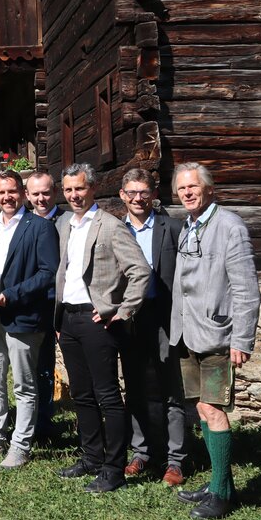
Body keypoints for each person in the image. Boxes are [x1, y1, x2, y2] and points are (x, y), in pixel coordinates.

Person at [170, 163, 260, 520]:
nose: (188, 193)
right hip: (189, 333)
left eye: (193, 187)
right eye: (182, 189)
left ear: (209, 189)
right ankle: (218, 483)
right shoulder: (189, 225)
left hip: (218, 334)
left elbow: (246, 288)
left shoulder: (230, 227)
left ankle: (222, 494)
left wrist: (243, 338)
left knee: (213, 409)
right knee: (203, 410)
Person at [54, 163, 150, 494]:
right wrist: (59, 318)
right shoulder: (67, 224)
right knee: (81, 394)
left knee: (107, 395)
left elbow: (140, 272)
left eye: (79, 188)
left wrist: (122, 312)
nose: (73, 195)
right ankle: (92, 457)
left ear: (92, 188)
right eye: (68, 189)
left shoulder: (110, 226)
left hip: (100, 322)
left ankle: (114, 468)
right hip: (68, 320)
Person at [0, 170, 58, 470]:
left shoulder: (40, 227)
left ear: (21, 192)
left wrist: (12, 294)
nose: (7, 197)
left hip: (22, 314)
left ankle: (21, 444)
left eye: (11, 191)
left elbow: (48, 274)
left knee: (24, 383)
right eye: (0, 193)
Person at [119, 168, 187, 487]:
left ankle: (176, 461)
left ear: (153, 194)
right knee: (134, 389)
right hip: (130, 321)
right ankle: (141, 453)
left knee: (171, 390)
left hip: (165, 318)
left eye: (143, 192)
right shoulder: (115, 231)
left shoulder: (172, 227)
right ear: (122, 195)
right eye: (131, 192)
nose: (138, 198)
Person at [26, 169, 66, 443]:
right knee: (36, 364)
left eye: (46, 193)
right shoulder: (23, 223)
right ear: (27, 196)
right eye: (35, 194)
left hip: (63, 303)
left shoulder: (68, 221)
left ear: (55, 192)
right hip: (32, 303)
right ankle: (38, 421)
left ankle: (48, 417)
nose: (41, 198)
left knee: (60, 362)